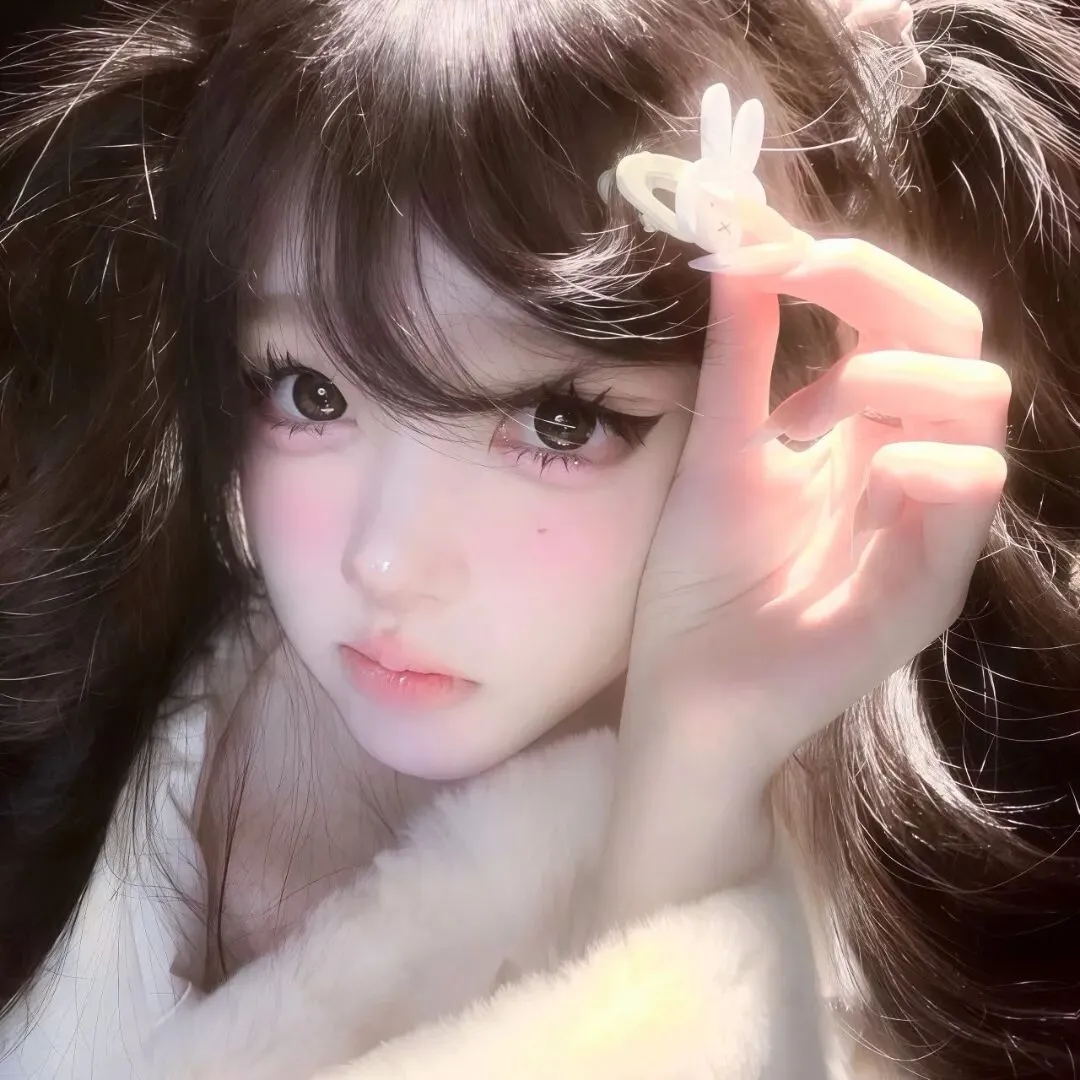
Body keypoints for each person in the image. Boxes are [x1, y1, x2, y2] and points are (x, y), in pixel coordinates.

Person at [1, 0, 1078, 1076]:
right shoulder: (104, 674)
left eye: (560, 423)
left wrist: (698, 775)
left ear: (792, 387)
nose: (386, 559)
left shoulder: (880, 985)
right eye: (310, 392)